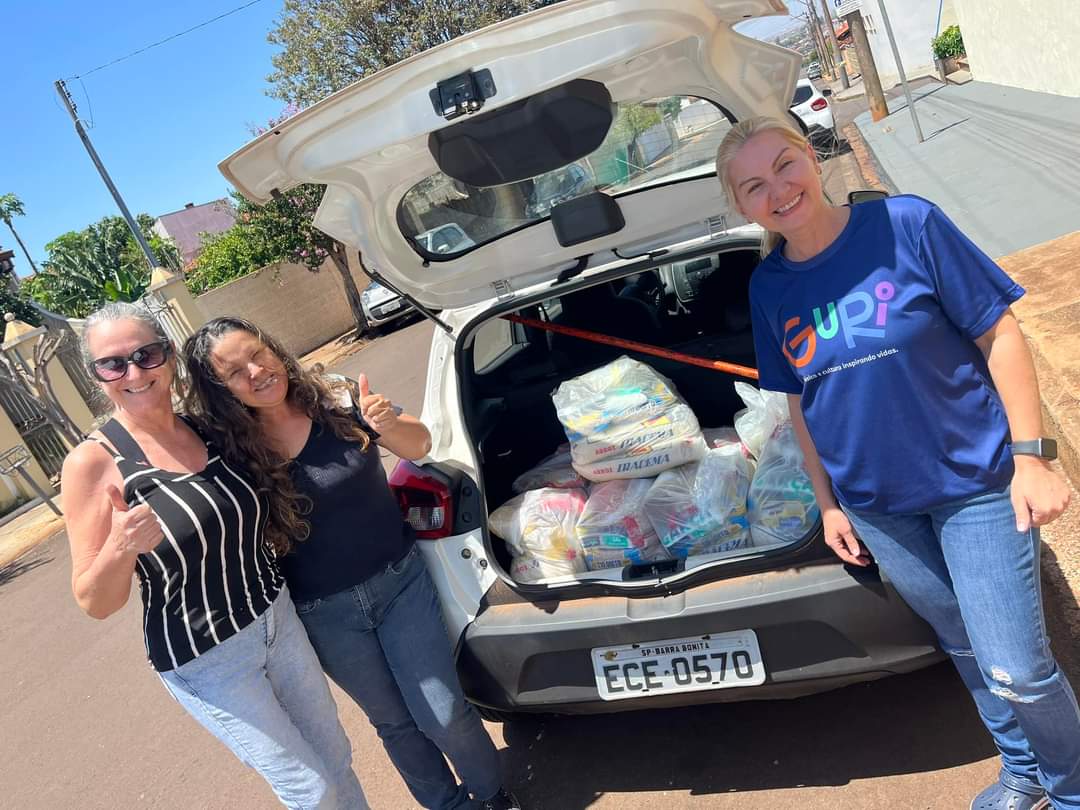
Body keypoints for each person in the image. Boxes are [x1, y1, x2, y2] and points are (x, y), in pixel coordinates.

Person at [715, 117, 1079, 810]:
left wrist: (1032, 458)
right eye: (755, 185)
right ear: (741, 206)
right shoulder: (769, 288)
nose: (779, 190)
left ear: (813, 159)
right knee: (965, 649)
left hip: (976, 487)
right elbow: (799, 401)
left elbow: (999, 331)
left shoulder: (907, 224)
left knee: (1019, 668)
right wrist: (827, 504)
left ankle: (1071, 789)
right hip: (879, 508)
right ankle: (1024, 771)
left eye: (786, 165)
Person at [182, 316, 521, 810]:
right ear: (221, 390)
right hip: (324, 613)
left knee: (442, 713)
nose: (255, 371)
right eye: (234, 371)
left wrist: (387, 423)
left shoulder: (337, 401)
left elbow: (419, 445)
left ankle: (493, 796)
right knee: (395, 725)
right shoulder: (229, 453)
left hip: (400, 584)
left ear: (273, 347)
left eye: (257, 353)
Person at [62, 302, 368, 810]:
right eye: (113, 364)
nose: (134, 373)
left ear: (170, 356)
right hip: (208, 659)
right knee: (310, 791)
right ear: (96, 377)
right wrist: (119, 547)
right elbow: (94, 600)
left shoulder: (207, 428)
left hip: (276, 616)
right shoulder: (93, 464)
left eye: (147, 354)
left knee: (335, 754)